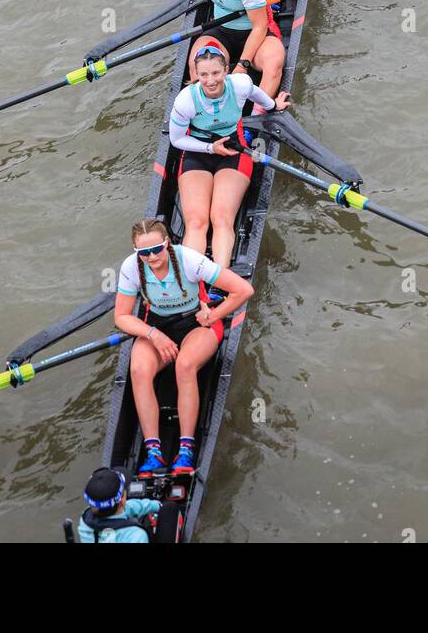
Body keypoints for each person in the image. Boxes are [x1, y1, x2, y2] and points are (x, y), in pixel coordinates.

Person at [114, 218, 254, 477]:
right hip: (158, 328)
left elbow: (243, 289)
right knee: (139, 371)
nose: (152, 256)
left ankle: (186, 449)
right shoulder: (130, 267)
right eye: (143, 253)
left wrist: (213, 316)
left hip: (197, 326)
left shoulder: (189, 259)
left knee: (185, 366)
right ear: (136, 252)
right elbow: (122, 317)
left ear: (167, 243)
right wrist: (153, 334)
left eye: (157, 249)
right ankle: (153, 451)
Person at [170, 41, 291, 264]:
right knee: (197, 222)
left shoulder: (241, 84)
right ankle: (191, 281)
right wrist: (210, 147)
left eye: (216, 72)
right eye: (204, 74)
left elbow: (263, 99)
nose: (210, 80)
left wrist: (275, 106)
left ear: (226, 70)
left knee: (222, 219)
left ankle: (221, 277)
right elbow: (176, 139)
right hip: (198, 154)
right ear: (197, 73)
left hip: (235, 152)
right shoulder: (186, 100)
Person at [76, 466, 161, 544]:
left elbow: (126, 507)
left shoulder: (85, 521)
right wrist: (160, 506)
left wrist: (154, 505)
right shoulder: (136, 536)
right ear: (123, 499)